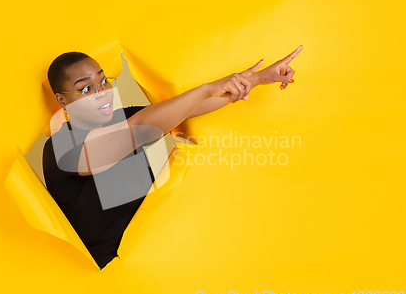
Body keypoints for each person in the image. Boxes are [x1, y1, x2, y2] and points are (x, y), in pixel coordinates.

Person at [42, 46, 303, 269]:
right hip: (101, 275)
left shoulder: (128, 116)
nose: (102, 92)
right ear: (62, 101)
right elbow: (137, 131)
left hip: (152, 259)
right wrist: (205, 89)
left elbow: (188, 109)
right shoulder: (61, 145)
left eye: (103, 81)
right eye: (86, 89)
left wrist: (257, 79)